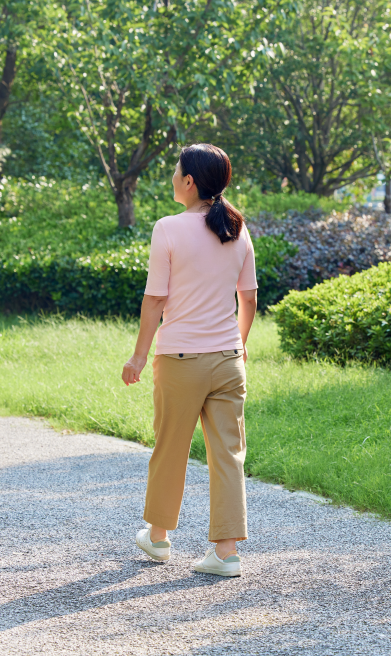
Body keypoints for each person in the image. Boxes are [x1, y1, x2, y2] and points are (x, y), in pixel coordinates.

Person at [121, 143, 257, 578]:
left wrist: (139, 356)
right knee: (228, 454)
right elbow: (248, 298)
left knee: (170, 447)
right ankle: (226, 552)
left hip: (181, 358)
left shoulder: (168, 229)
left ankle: (158, 538)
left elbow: (155, 299)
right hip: (227, 360)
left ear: (190, 181)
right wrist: (238, 342)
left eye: (175, 171)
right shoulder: (237, 228)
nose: (172, 178)